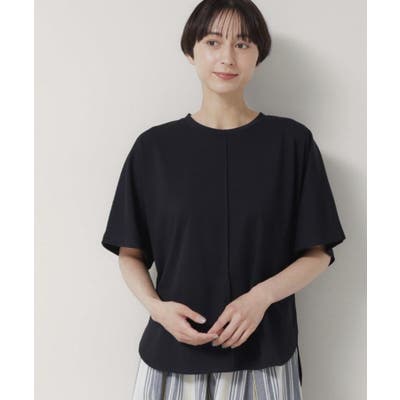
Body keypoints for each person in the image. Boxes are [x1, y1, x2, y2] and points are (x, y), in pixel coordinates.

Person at [101, 0, 346, 399]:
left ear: (258, 55)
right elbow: (129, 252)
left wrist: (261, 298)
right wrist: (157, 310)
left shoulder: (292, 144)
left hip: (265, 355)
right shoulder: (154, 149)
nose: (227, 57)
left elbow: (318, 253)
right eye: (213, 42)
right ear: (191, 51)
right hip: (172, 358)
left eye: (243, 44)